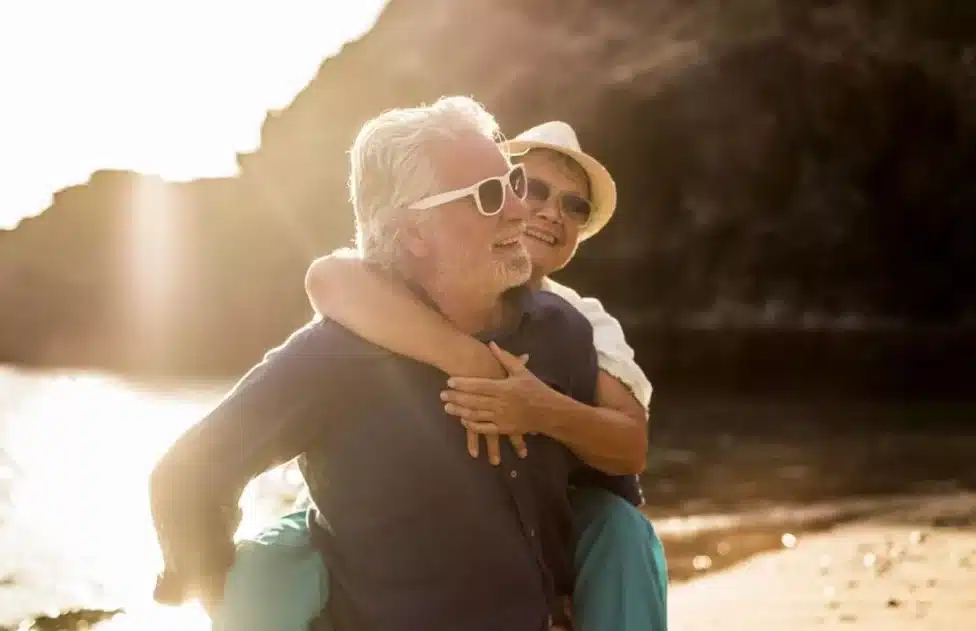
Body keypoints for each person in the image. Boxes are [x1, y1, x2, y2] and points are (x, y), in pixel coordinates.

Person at [150, 97, 643, 631]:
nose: (521, 212)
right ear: (413, 233)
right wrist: (222, 597)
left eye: (514, 183)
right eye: (490, 195)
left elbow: (604, 502)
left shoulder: (563, 332)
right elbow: (186, 477)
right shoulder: (335, 358)